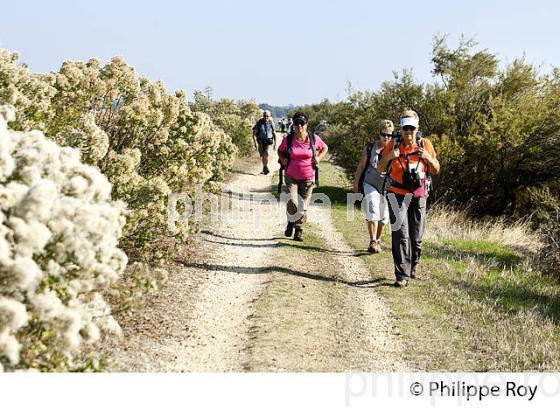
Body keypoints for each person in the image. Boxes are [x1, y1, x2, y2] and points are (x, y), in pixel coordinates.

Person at [378, 110, 440, 288]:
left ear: (417, 128)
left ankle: (414, 263)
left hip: (418, 195)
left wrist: (427, 158)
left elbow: (436, 169)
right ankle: (401, 275)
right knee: (400, 235)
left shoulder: (425, 144)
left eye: (412, 128)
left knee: (416, 237)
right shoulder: (393, 144)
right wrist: (390, 156)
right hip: (396, 193)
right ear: (401, 128)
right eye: (405, 128)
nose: (408, 132)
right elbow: (380, 168)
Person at [277, 112, 328, 241]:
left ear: (307, 124)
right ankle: (290, 221)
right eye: (296, 123)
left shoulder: (313, 138)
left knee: (303, 206)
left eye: (302, 123)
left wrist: (318, 158)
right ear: (293, 125)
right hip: (291, 176)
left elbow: (324, 148)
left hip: (308, 177)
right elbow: (280, 151)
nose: (299, 126)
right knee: (293, 202)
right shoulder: (288, 139)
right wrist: (283, 160)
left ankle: (298, 230)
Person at [352, 120, 393, 254]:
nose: (386, 137)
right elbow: (362, 166)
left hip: (388, 187)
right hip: (370, 183)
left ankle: (378, 239)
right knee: (373, 208)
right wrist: (356, 182)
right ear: (379, 133)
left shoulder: (395, 149)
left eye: (389, 135)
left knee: (384, 217)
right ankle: (372, 240)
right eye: (384, 134)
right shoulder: (371, 147)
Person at [252, 110, 277, 175]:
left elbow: (274, 133)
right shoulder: (259, 122)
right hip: (260, 141)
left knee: (266, 154)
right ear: (263, 116)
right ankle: (264, 167)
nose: (266, 117)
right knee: (262, 156)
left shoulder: (271, 122)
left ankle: (265, 167)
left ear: (269, 116)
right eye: (264, 116)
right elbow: (254, 133)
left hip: (268, 141)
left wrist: (275, 144)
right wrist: (255, 143)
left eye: (267, 116)